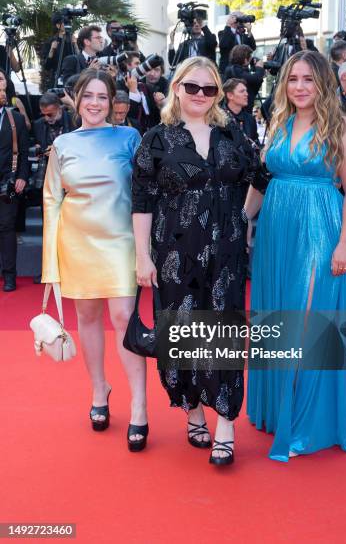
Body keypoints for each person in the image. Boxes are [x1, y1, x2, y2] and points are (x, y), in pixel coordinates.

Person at [132, 56, 265, 465]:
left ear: (218, 94)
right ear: (177, 88)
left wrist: (244, 220)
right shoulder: (156, 139)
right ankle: (193, 411)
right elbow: (142, 200)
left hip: (225, 255)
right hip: (175, 254)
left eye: (210, 89)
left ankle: (225, 421)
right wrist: (142, 257)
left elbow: (259, 177)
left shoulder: (232, 135)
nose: (201, 96)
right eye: (193, 87)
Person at [244, 50, 346, 461]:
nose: (299, 87)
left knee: (308, 318)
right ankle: (276, 409)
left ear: (324, 84)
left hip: (321, 228)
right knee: (278, 315)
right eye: (293, 79)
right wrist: (242, 218)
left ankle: (308, 420)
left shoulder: (343, 127)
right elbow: (263, 180)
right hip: (276, 231)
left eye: (308, 80)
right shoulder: (278, 123)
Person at [41, 69, 145, 449]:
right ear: (76, 99)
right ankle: (99, 390)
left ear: (114, 101)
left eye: (103, 97)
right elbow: (52, 201)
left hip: (120, 240)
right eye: (89, 96)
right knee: (87, 317)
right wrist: (50, 266)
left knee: (122, 317)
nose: (96, 104)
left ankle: (139, 405)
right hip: (77, 241)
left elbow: (147, 191)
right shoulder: (63, 144)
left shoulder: (130, 137)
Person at [0, 82, 29, 292]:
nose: (1, 93)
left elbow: (25, 153)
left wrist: (22, 176)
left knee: (7, 228)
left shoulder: (15, 119)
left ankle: (9, 276)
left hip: (8, 181)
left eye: (2, 90)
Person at [223, 44, 265, 113]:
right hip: (238, 113)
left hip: (244, 111)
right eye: (250, 57)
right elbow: (255, 79)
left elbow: (253, 89)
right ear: (245, 60)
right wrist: (259, 69)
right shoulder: (234, 70)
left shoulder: (239, 70)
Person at [222, 78, 258, 143]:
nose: (246, 94)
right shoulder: (218, 118)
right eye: (242, 91)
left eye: (246, 91)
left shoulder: (250, 119)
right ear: (230, 95)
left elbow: (255, 142)